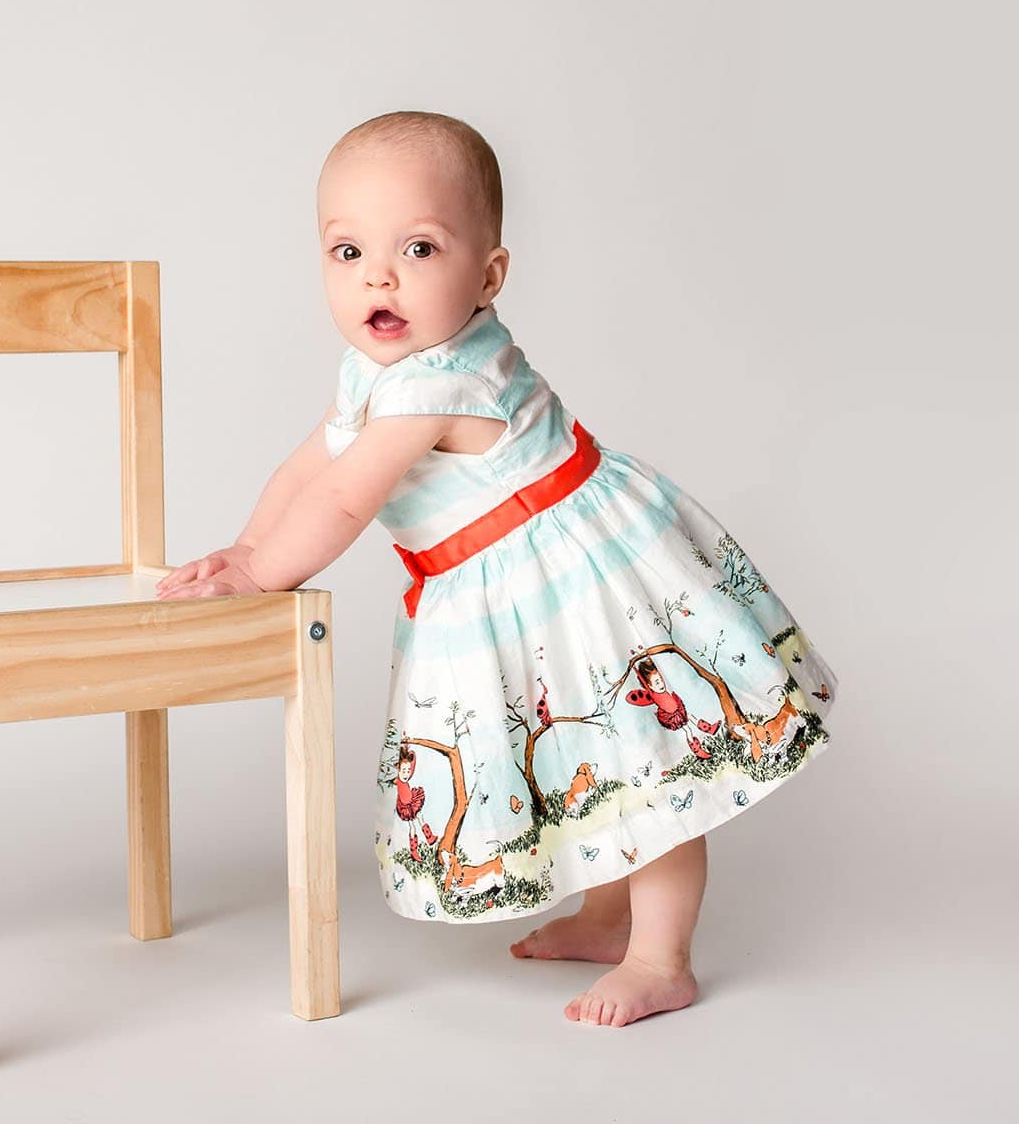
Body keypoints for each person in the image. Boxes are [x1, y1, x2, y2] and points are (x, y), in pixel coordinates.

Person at [156, 110, 841, 1027]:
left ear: (488, 275)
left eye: (420, 248)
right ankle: (607, 914)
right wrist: (246, 546)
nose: (379, 277)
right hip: (507, 586)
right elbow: (308, 466)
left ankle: (660, 956)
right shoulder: (376, 369)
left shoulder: (442, 379)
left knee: (648, 762)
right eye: (348, 251)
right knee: (585, 756)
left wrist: (264, 574)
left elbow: (346, 498)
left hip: (580, 581)